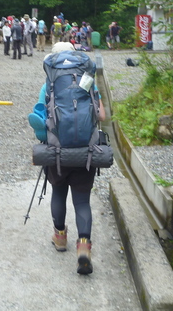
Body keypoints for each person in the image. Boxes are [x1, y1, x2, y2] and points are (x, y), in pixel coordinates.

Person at [35, 42, 106, 275]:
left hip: (57, 152)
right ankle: (84, 247)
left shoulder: (49, 85)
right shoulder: (87, 80)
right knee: (82, 201)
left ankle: (60, 237)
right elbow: (102, 115)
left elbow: (39, 117)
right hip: (85, 152)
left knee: (58, 193)